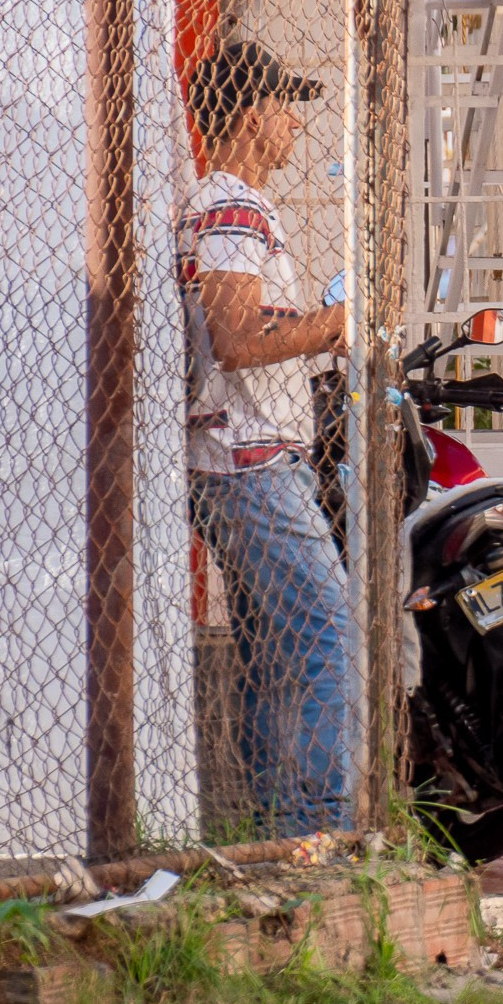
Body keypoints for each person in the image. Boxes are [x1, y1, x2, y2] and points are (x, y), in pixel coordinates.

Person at [178, 40, 353, 836]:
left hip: (242, 458)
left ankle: (278, 823)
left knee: (271, 650)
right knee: (324, 632)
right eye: (288, 107)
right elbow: (238, 338)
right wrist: (333, 326)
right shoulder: (232, 205)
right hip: (248, 462)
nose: (296, 125)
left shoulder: (230, 204)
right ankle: (316, 826)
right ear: (253, 113)